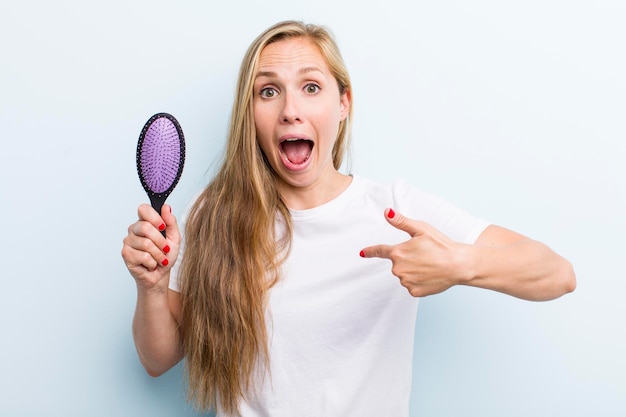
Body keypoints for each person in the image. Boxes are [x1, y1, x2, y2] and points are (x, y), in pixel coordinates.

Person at [121, 20, 576, 417]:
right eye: (268, 91)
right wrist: (153, 288)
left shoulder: (394, 211)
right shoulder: (211, 213)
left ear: (344, 103)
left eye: (311, 87)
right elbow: (158, 358)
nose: (290, 110)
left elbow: (558, 274)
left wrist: (458, 265)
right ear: (250, 113)